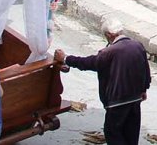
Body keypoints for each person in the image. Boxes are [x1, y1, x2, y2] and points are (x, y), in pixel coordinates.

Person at [56, 16, 151, 145]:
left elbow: (88, 63)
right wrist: (144, 89)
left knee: (113, 132)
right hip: (135, 98)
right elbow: (145, 69)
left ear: (109, 35)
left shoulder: (109, 52)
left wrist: (66, 58)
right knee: (131, 133)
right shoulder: (138, 46)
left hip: (117, 101)